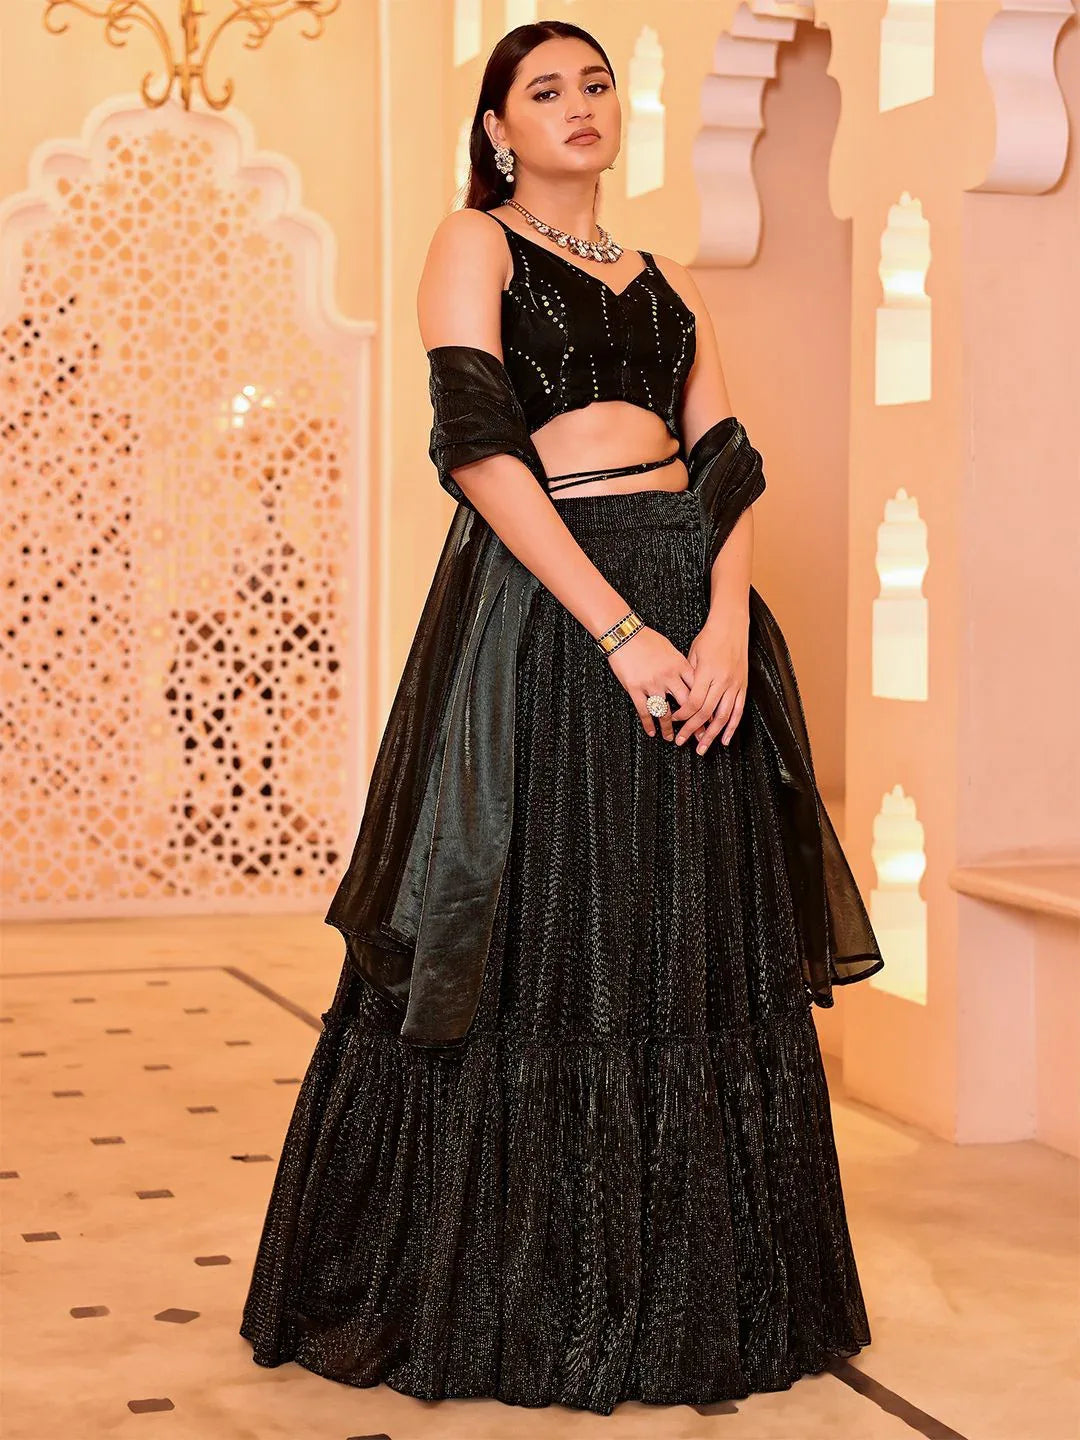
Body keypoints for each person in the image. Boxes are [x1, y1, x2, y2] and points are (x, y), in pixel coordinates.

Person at [239, 20, 884, 1417]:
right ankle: (535, 1300)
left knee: (679, 941)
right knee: (551, 937)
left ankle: (691, 1300)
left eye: (597, 84)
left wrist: (721, 625)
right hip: (555, 609)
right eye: (546, 89)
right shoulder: (473, 243)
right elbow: (478, 450)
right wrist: (619, 629)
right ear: (499, 127)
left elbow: (726, 463)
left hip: (695, 612)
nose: (580, 105)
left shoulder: (665, 276)